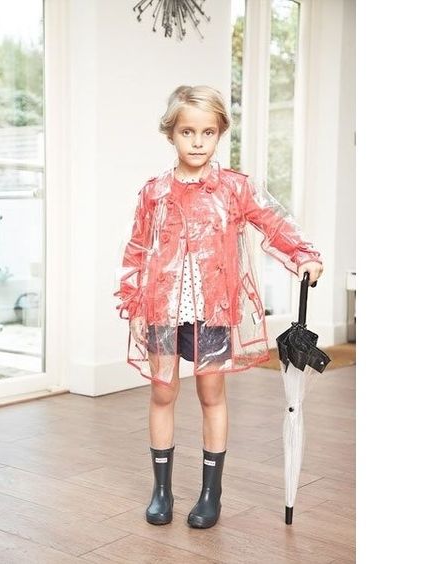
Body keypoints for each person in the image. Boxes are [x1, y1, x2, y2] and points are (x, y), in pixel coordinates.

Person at [113, 85, 324, 528]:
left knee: (211, 393)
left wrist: (303, 254)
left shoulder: (233, 188)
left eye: (207, 133)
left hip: (211, 308)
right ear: (171, 133)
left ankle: (211, 493)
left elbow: (274, 220)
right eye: (187, 132)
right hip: (162, 307)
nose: (197, 142)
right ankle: (162, 490)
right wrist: (133, 303)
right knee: (162, 391)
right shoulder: (155, 192)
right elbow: (137, 249)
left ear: (219, 134)